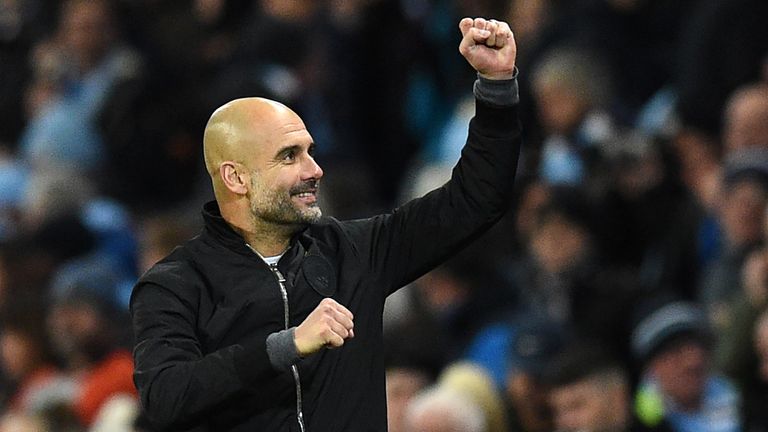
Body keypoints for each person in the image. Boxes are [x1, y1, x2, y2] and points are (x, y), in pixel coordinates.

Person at [130, 16, 521, 432]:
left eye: (310, 152)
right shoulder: (175, 284)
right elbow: (166, 396)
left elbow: (474, 201)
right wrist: (286, 346)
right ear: (235, 177)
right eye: (289, 156)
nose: (314, 169)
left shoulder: (355, 252)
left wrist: (496, 88)